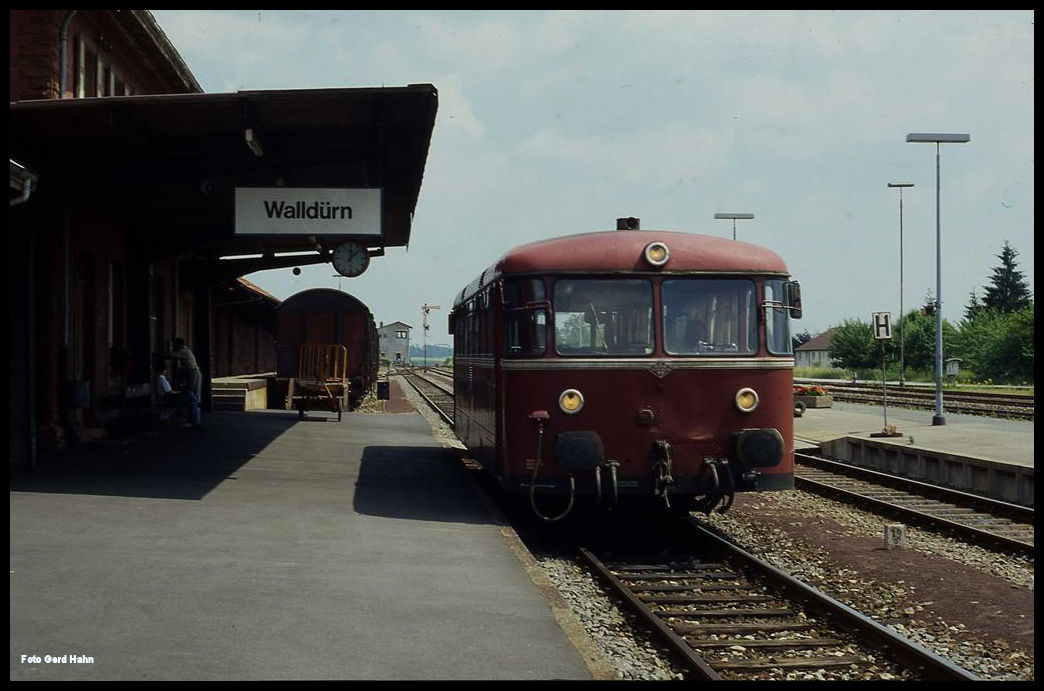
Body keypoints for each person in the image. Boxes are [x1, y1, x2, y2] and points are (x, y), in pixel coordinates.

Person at [155, 362, 202, 429]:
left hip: (168, 397)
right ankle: (195, 419)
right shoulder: (161, 378)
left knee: (192, 403)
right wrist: (177, 393)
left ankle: (193, 422)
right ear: (163, 370)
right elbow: (168, 392)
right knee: (190, 395)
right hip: (168, 398)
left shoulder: (161, 378)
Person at [170, 337, 202, 402]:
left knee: (193, 392)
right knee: (194, 392)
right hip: (192, 372)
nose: (174, 346)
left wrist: (169, 348)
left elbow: (171, 355)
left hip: (193, 372)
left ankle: (195, 408)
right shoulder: (185, 351)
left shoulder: (183, 351)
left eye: (175, 344)